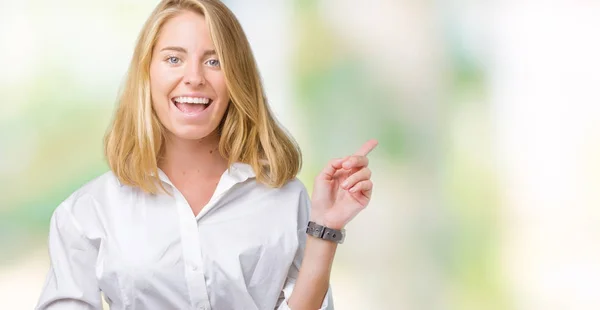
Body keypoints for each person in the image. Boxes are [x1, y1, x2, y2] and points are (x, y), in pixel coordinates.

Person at [36, 0, 377, 309]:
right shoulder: (88, 212)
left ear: (236, 77)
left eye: (214, 61)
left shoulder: (284, 199)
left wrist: (325, 229)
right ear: (147, 73)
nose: (194, 78)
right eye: (174, 59)